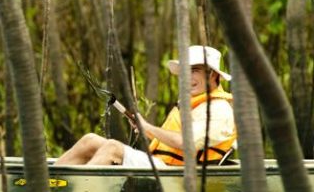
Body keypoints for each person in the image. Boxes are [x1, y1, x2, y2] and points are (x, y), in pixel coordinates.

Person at [55, 45, 236, 167]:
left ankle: (76, 188)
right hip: (163, 167)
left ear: (213, 75)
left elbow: (185, 143)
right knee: (90, 140)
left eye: (195, 71)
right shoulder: (195, 102)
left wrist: (148, 127)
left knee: (112, 148)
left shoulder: (219, 110)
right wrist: (147, 131)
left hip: (177, 176)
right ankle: (51, 183)